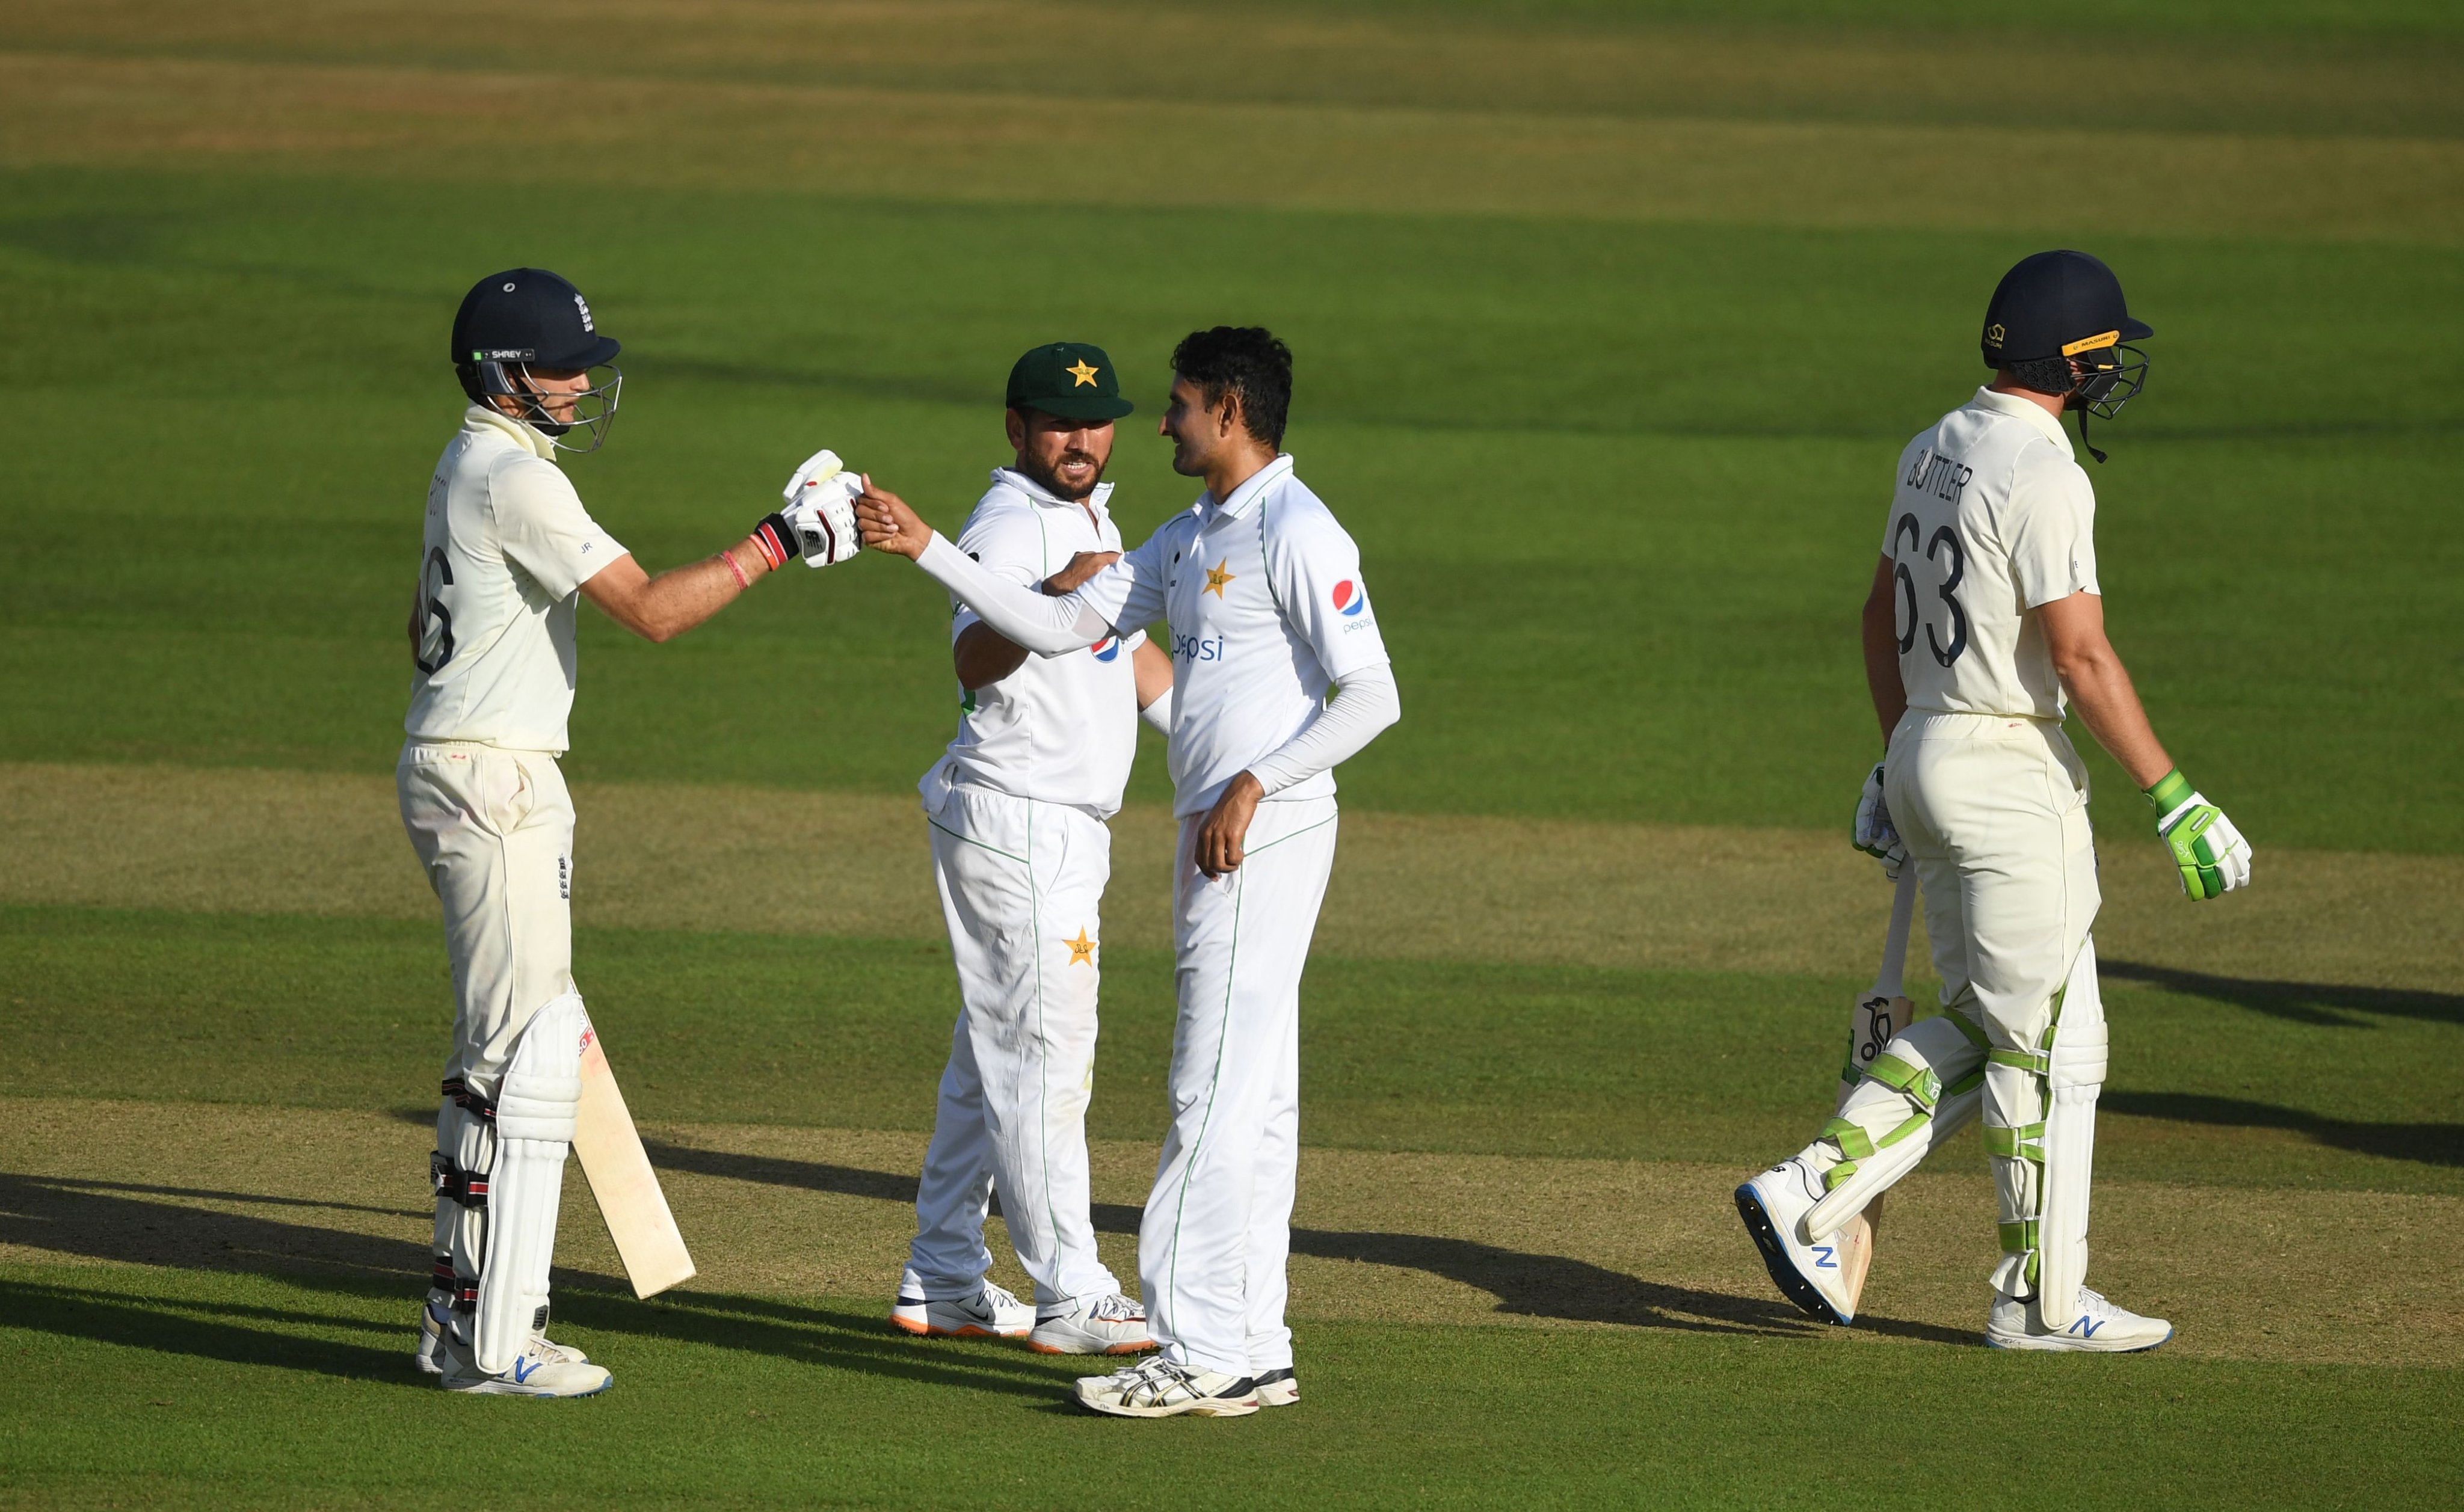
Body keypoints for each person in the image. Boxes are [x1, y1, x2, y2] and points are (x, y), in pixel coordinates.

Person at [856, 327, 1401, 1417]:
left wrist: (1253, 783)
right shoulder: (1189, 531)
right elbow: (1059, 622)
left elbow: (1373, 695)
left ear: (1231, 413)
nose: (1158, 422)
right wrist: (926, 548)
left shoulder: (1298, 527)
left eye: (1179, 403)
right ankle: (1253, 1341)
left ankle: (1194, 1345)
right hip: (1202, 828)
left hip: (1259, 830)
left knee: (1210, 1091)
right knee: (1258, 1095)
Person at [1735, 250, 2252, 1351]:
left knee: (1988, 1026)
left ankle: (1816, 1187)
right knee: (2058, 1045)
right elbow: (2080, 655)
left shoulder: (1933, 446)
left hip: (1927, 748)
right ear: (2074, 358)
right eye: (2107, 350)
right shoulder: (2047, 470)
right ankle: (2039, 1302)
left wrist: (1894, 759)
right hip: (2010, 774)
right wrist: (2176, 797)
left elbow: (1878, 616)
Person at [402, 267, 861, 1396]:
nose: (577, 385)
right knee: (526, 1056)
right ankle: (498, 1342)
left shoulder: (480, 464)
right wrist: (781, 539)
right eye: (559, 367)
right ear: (503, 374)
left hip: (469, 765)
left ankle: (462, 1328)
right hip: (494, 782)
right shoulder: (513, 477)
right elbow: (653, 610)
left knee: (494, 1054)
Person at [891, 342, 1176, 1356]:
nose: (1080, 440)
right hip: (1020, 818)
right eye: (1058, 422)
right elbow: (973, 653)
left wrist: (1216, 746)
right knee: (1043, 1061)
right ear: (1017, 428)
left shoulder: (1088, 510)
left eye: (1095, 422)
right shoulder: (1012, 521)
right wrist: (1050, 592)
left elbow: (1126, 647)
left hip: (1053, 824)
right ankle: (1071, 1291)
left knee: (993, 1052)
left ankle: (942, 1273)